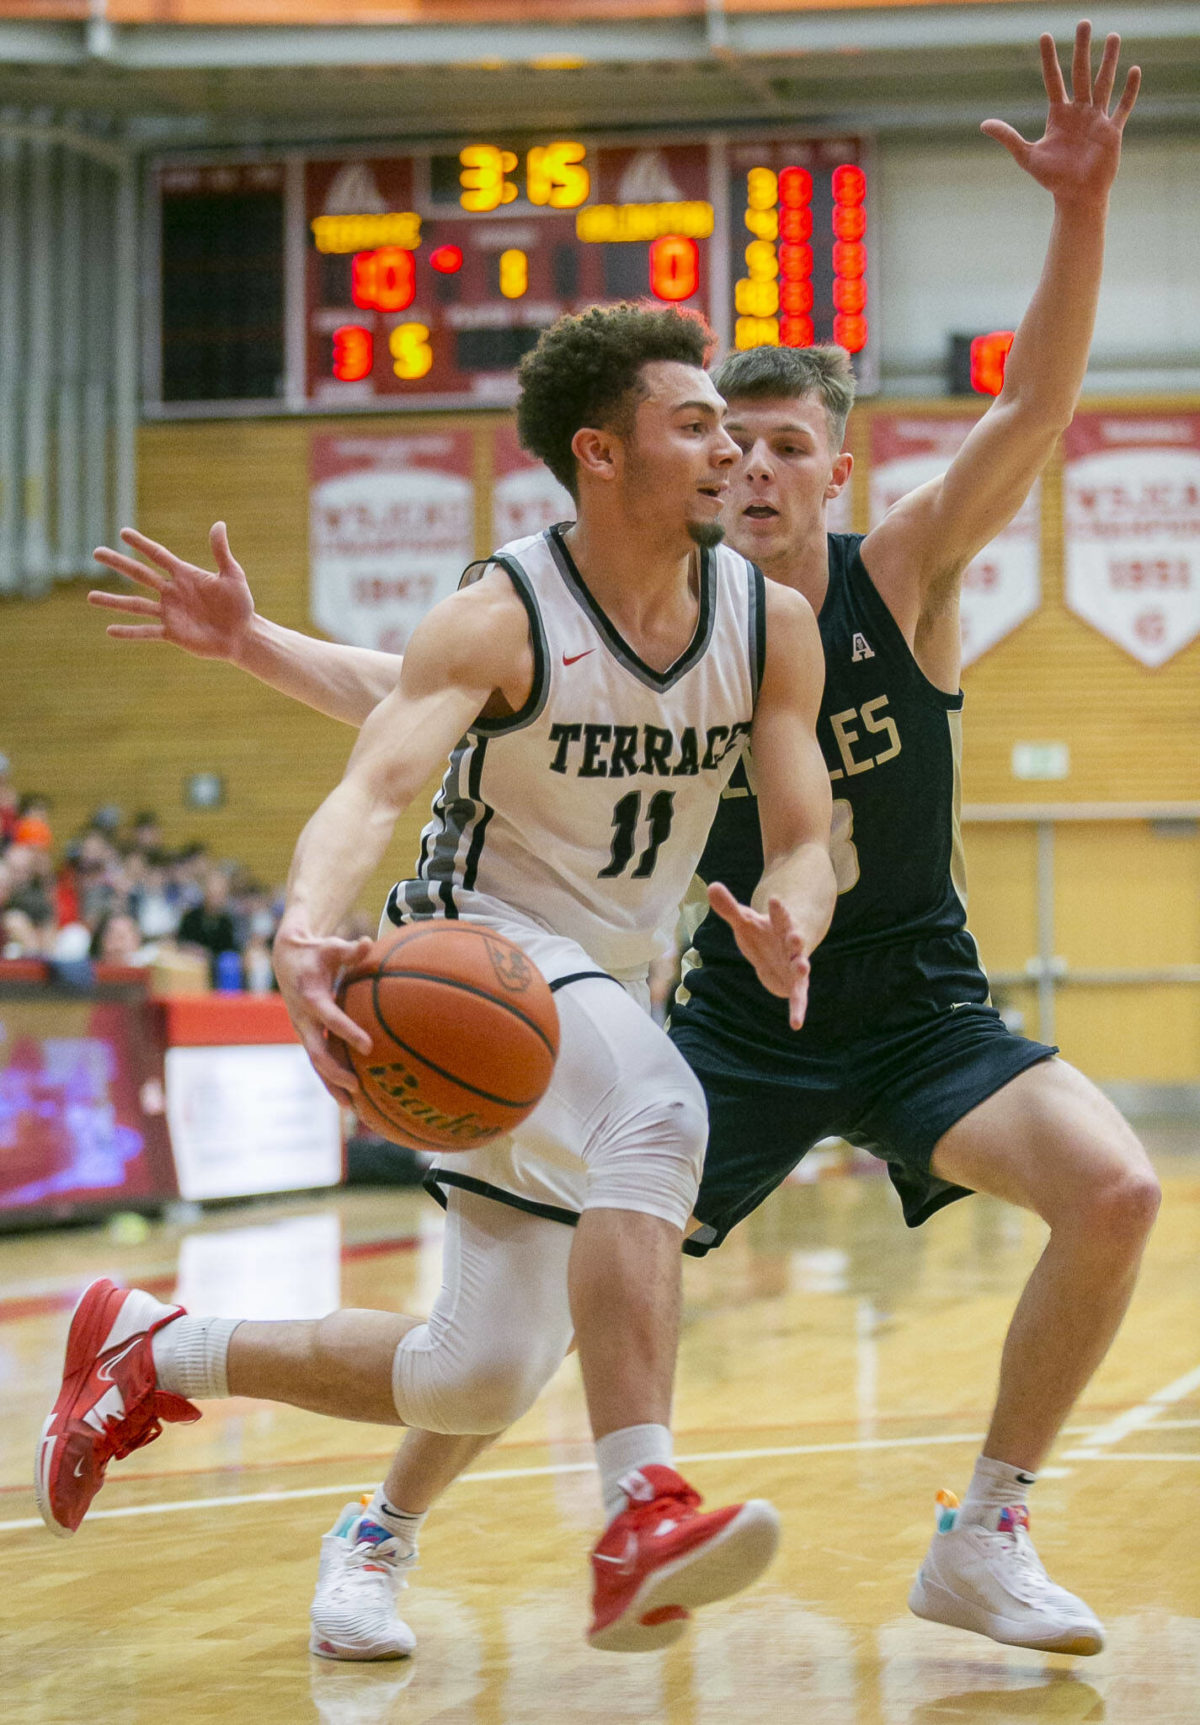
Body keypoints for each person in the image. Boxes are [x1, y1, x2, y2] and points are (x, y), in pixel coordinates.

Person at [80, 22, 1152, 1663]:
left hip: (903, 1003)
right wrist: (264, 700)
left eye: (787, 444)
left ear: (837, 473)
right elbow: (411, 716)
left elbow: (1037, 412)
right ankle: (511, 1516)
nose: (754, 465)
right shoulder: (582, 604)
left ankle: (984, 1528)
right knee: (580, 1219)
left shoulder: (866, 594)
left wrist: (1080, 216)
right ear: (667, 462)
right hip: (667, 1002)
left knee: (1104, 1192)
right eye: (732, 439)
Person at [41, 304, 837, 1656]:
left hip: (603, 993)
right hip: (485, 946)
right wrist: (304, 926)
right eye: (695, 424)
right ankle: (639, 1504)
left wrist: (790, 918)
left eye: (740, 430)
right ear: (601, 452)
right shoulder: (501, 609)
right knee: (660, 1112)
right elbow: (375, 786)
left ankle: (155, 1349)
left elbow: (810, 833)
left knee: (474, 1376)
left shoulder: (772, 624)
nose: (731, 455)